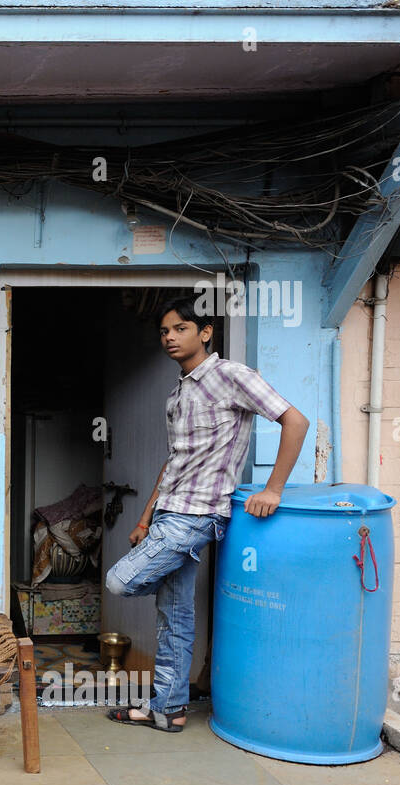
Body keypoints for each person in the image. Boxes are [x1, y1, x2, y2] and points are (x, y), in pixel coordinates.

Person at [106, 296, 308, 732]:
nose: (170, 337)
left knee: (119, 582)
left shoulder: (231, 376)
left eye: (180, 328)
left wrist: (273, 489)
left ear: (205, 332)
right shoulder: (178, 392)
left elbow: (296, 421)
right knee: (173, 620)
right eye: (164, 331)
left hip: (197, 517)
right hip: (168, 514)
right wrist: (144, 519)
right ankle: (169, 710)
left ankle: (167, 704)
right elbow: (173, 461)